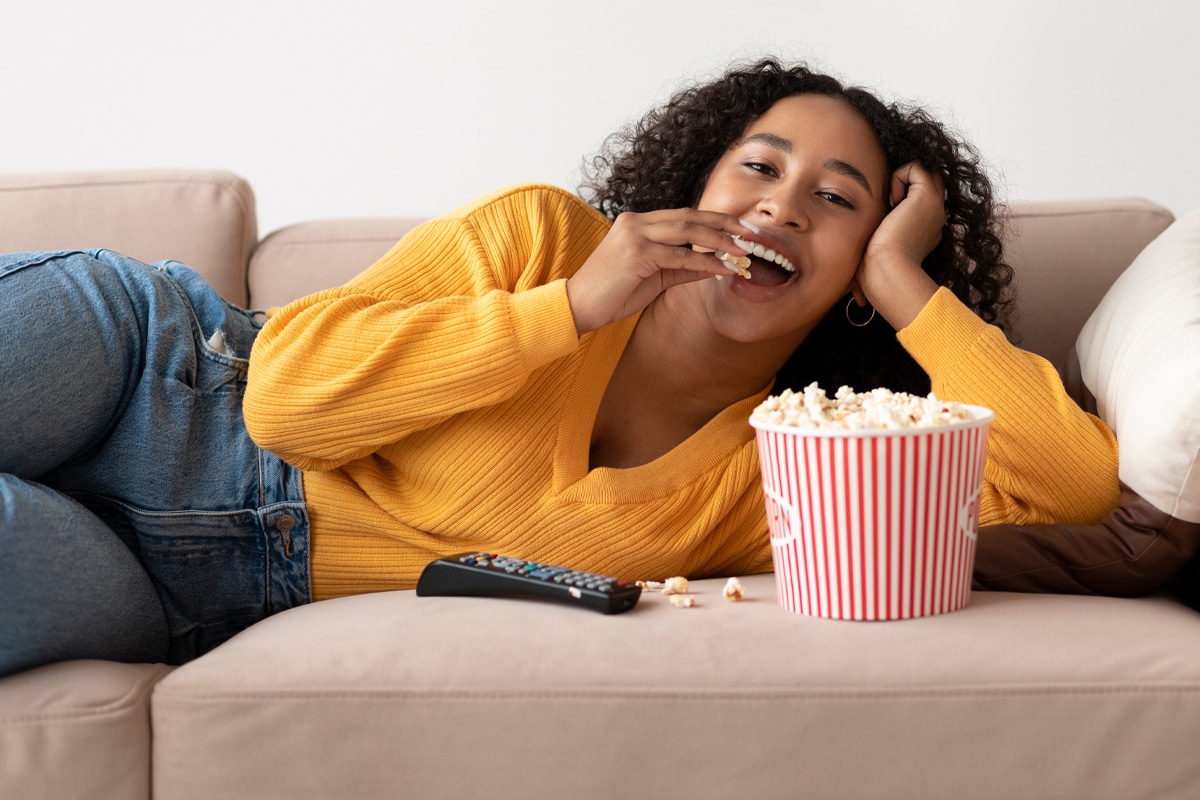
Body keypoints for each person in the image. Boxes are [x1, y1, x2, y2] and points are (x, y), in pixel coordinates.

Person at [0, 58, 1119, 677]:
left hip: (172, 590)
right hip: (161, 375)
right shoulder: (544, 239)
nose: (781, 203)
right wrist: (570, 310)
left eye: (838, 201)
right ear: (697, 178)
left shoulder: (793, 465)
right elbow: (288, 399)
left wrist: (905, 281)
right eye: (760, 167)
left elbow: (1073, 481)